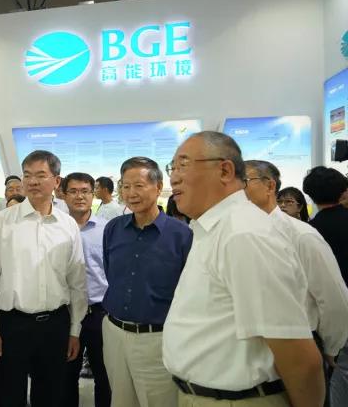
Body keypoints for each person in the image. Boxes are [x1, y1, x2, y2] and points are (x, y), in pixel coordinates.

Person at [163, 131, 324, 407]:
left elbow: (298, 356)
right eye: (172, 167)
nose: (174, 177)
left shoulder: (243, 234)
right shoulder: (214, 229)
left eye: (183, 165)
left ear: (225, 170)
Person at [0, 150, 87, 407]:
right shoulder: (3, 222)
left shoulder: (67, 225)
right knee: (7, 397)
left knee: (51, 396)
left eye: (41, 175)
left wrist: (75, 330)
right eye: (27, 175)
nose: (33, 182)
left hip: (56, 325)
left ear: (56, 181)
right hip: (12, 325)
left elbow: (77, 282)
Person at [244, 160, 348, 400]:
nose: (237, 190)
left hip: (301, 341)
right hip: (254, 349)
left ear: (270, 186)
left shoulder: (301, 236)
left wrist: (331, 347)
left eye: (245, 182)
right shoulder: (240, 234)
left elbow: (333, 298)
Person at [102, 157, 192, 407]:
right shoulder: (113, 228)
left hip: (157, 339)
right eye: (125, 186)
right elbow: (111, 273)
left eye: (139, 186)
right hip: (114, 333)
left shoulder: (181, 235)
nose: (131, 193)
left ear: (158, 186)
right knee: (120, 400)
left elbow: (188, 290)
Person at [60, 173, 111, 407]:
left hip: (99, 313)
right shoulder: (56, 228)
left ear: (93, 194)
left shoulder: (106, 229)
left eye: (85, 191)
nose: (79, 196)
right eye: (73, 191)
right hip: (66, 313)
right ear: (63, 194)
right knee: (66, 376)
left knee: (104, 376)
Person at [303, 166, 348, 407]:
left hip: (328, 317)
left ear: (309, 193)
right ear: (343, 191)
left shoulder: (310, 231)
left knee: (336, 378)